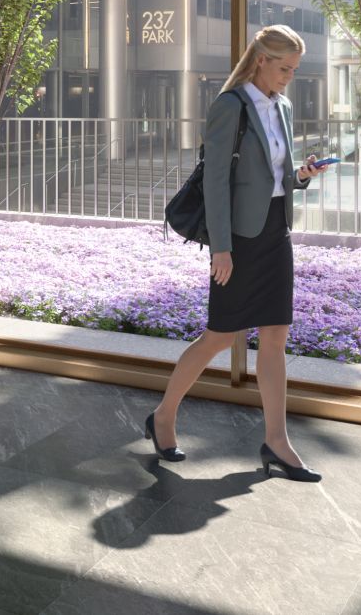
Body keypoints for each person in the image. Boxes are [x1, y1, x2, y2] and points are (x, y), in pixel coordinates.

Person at [148, 24, 326, 481]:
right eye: (284, 67)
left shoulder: (283, 107)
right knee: (219, 335)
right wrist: (221, 249)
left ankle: (276, 440)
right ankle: (164, 415)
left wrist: (301, 176)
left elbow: (276, 176)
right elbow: (216, 182)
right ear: (262, 60)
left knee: (275, 336)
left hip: (275, 233)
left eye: (294, 70)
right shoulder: (230, 105)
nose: (289, 77)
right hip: (239, 241)